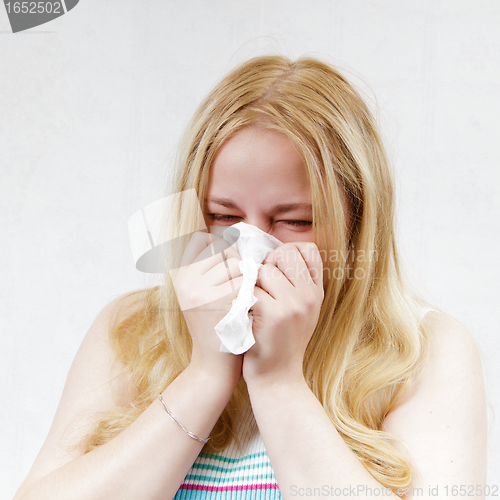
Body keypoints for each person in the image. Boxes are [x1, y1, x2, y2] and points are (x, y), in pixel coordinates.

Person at [14, 55, 487, 500]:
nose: (249, 249)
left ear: (357, 223)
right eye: (223, 216)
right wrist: (204, 374)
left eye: (296, 221)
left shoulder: (423, 351)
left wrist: (279, 381)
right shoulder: (133, 331)